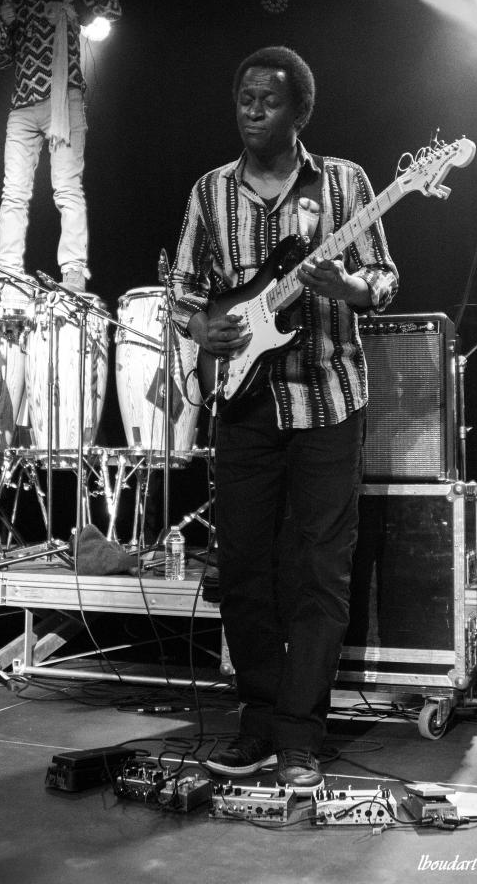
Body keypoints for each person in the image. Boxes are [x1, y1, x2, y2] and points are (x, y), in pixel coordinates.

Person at [171, 46, 398, 790]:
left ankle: (300, 735)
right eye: (244, 97)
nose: (252, 109)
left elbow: (383, 278)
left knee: (319, 571)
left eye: (268, 100)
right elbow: (182, 290)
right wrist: (202, 328)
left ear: (300, 111)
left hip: (328, 397)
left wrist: (348, 288)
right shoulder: (209, 191)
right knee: (242, 570)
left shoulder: (345, 183)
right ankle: (259, 722)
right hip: (243, 402)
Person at [0, 0, 121, 291]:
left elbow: (112, 9)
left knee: (66, 187)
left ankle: (73, 272)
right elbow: (0, 58)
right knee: (13, 192)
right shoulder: (18, 2)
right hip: (22, 107)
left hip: (64, 99)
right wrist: (4, 25)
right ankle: (7, 270)